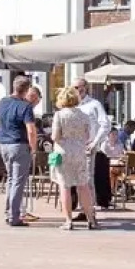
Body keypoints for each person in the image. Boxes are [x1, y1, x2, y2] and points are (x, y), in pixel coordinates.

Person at [50, 87, 98, 230]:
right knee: (83, 186)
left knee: (64, 186)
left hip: (63, 152)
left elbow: (55, 136)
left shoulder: (59, 115)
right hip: (79, 152)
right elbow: (89, 135)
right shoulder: (84, 115)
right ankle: (90, 218)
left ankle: (68, 220)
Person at [0, 75, 38, 227]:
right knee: (18, 181)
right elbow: (31, 130)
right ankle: (14, 216)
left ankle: (8, 212)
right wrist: (33, 149)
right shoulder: (25, 106)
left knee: (10, 179)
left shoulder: (3, 102)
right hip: (19, 144)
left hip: (4, 144)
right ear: (27, 89)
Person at [73, 78, 113, 212]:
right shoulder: (71, 105)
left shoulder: (94, 104)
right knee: (76, 177)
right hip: (73, 147)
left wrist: (95, 141)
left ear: (86, 87)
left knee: (88, 178)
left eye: (80, 87)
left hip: (88, 147)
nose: (77, 90)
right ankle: (80, 206)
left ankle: (89, 207)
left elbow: (105, 124)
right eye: (75, 87)